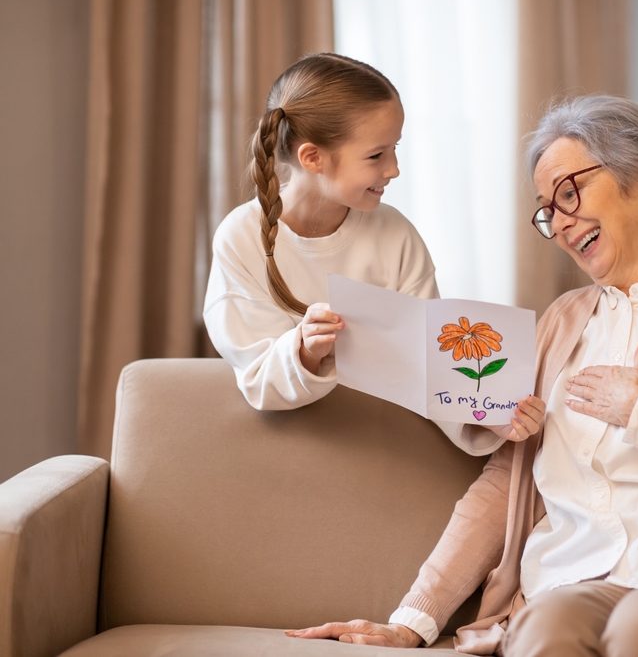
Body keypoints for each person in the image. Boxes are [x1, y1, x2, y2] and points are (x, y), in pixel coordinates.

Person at [287, 95, 638, 656]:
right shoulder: (559, 323)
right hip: (572, 582)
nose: (560, 223)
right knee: (546, 630)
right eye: (547, 210)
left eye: (569, 192)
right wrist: (413, 620)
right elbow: (500, 486)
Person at [204, 53, 536, 454]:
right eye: (377, 155)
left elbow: (427, 358)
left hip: (383, 449)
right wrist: (306, 351)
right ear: (313, 158)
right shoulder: (239, 239)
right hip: (281, 452)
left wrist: (489, 414)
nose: (394, 168)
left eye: (395, 149)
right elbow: (257, 377)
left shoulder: (395, 234)